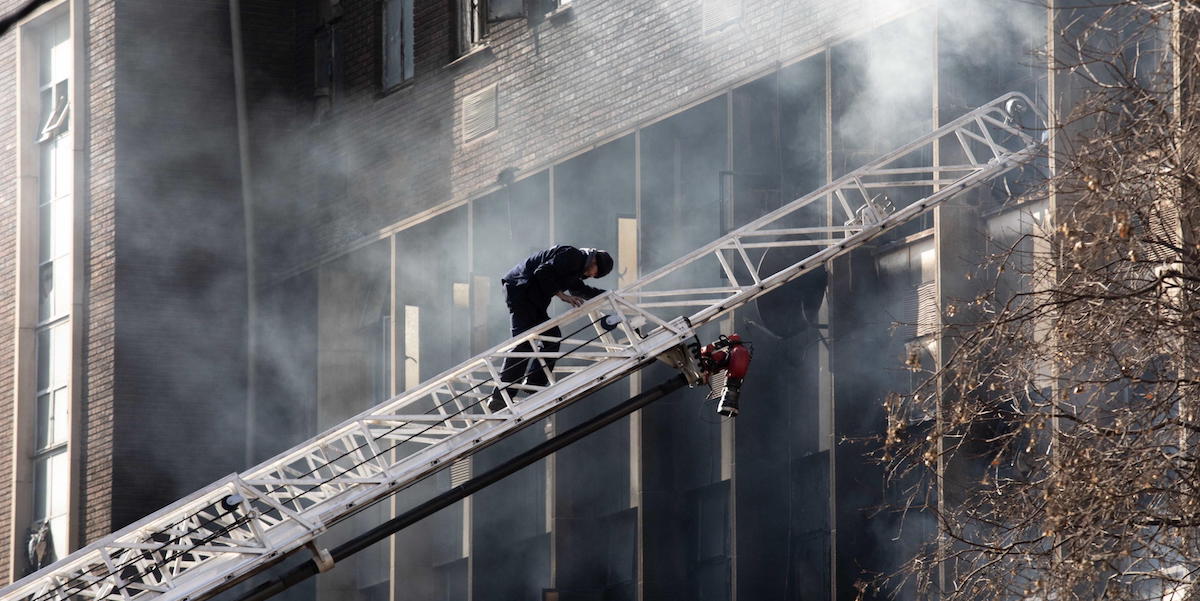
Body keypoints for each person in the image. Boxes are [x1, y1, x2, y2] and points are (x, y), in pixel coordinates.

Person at [489, 245, 614, 411]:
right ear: (594, 261)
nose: (591, 275)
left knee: (552, 336)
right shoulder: (573, 256)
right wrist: (562, 296)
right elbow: (542, 272)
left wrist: (609, 295)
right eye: (595, 272)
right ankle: (500, 397)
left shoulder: (575, 269)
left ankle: (534, 383)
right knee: (524, 344)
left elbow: (581, 289)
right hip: (521, 289)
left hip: (533, 297)